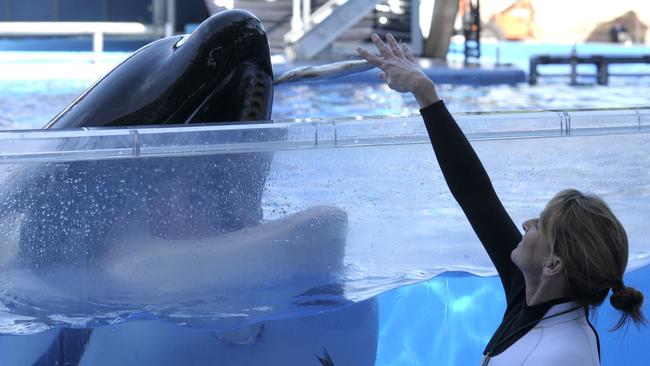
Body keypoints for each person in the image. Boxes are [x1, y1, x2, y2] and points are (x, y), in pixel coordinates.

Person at [358, 33, 645, 365]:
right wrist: (424, 92)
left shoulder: (562, 354)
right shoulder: (535, 299)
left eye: (541, 224)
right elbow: (476, 195)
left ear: (553, 264)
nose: (527, 223)